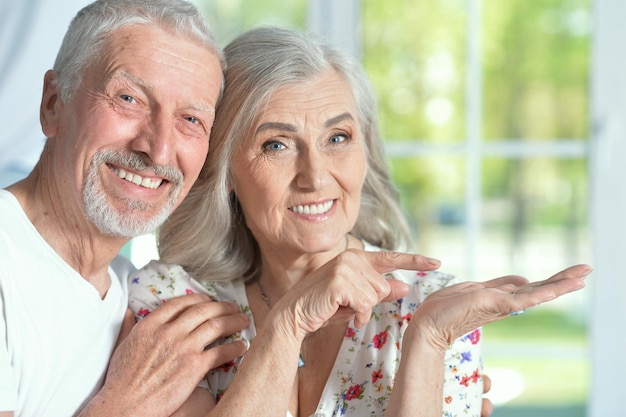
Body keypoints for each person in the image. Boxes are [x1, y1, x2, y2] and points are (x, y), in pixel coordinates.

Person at [129, 26, 591, 417]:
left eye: (338, 137)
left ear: (365, 150)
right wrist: (288, 323)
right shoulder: (173, 305)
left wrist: (426, 345)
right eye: (276, 145)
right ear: (226, 169)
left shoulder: (430, 309)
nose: (315, 177)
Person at [0, 1, 254, 416]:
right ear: (52, 104)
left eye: (190, 120)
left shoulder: (143, 303)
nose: (158, 149)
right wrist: (126, 403)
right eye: (129, 98)